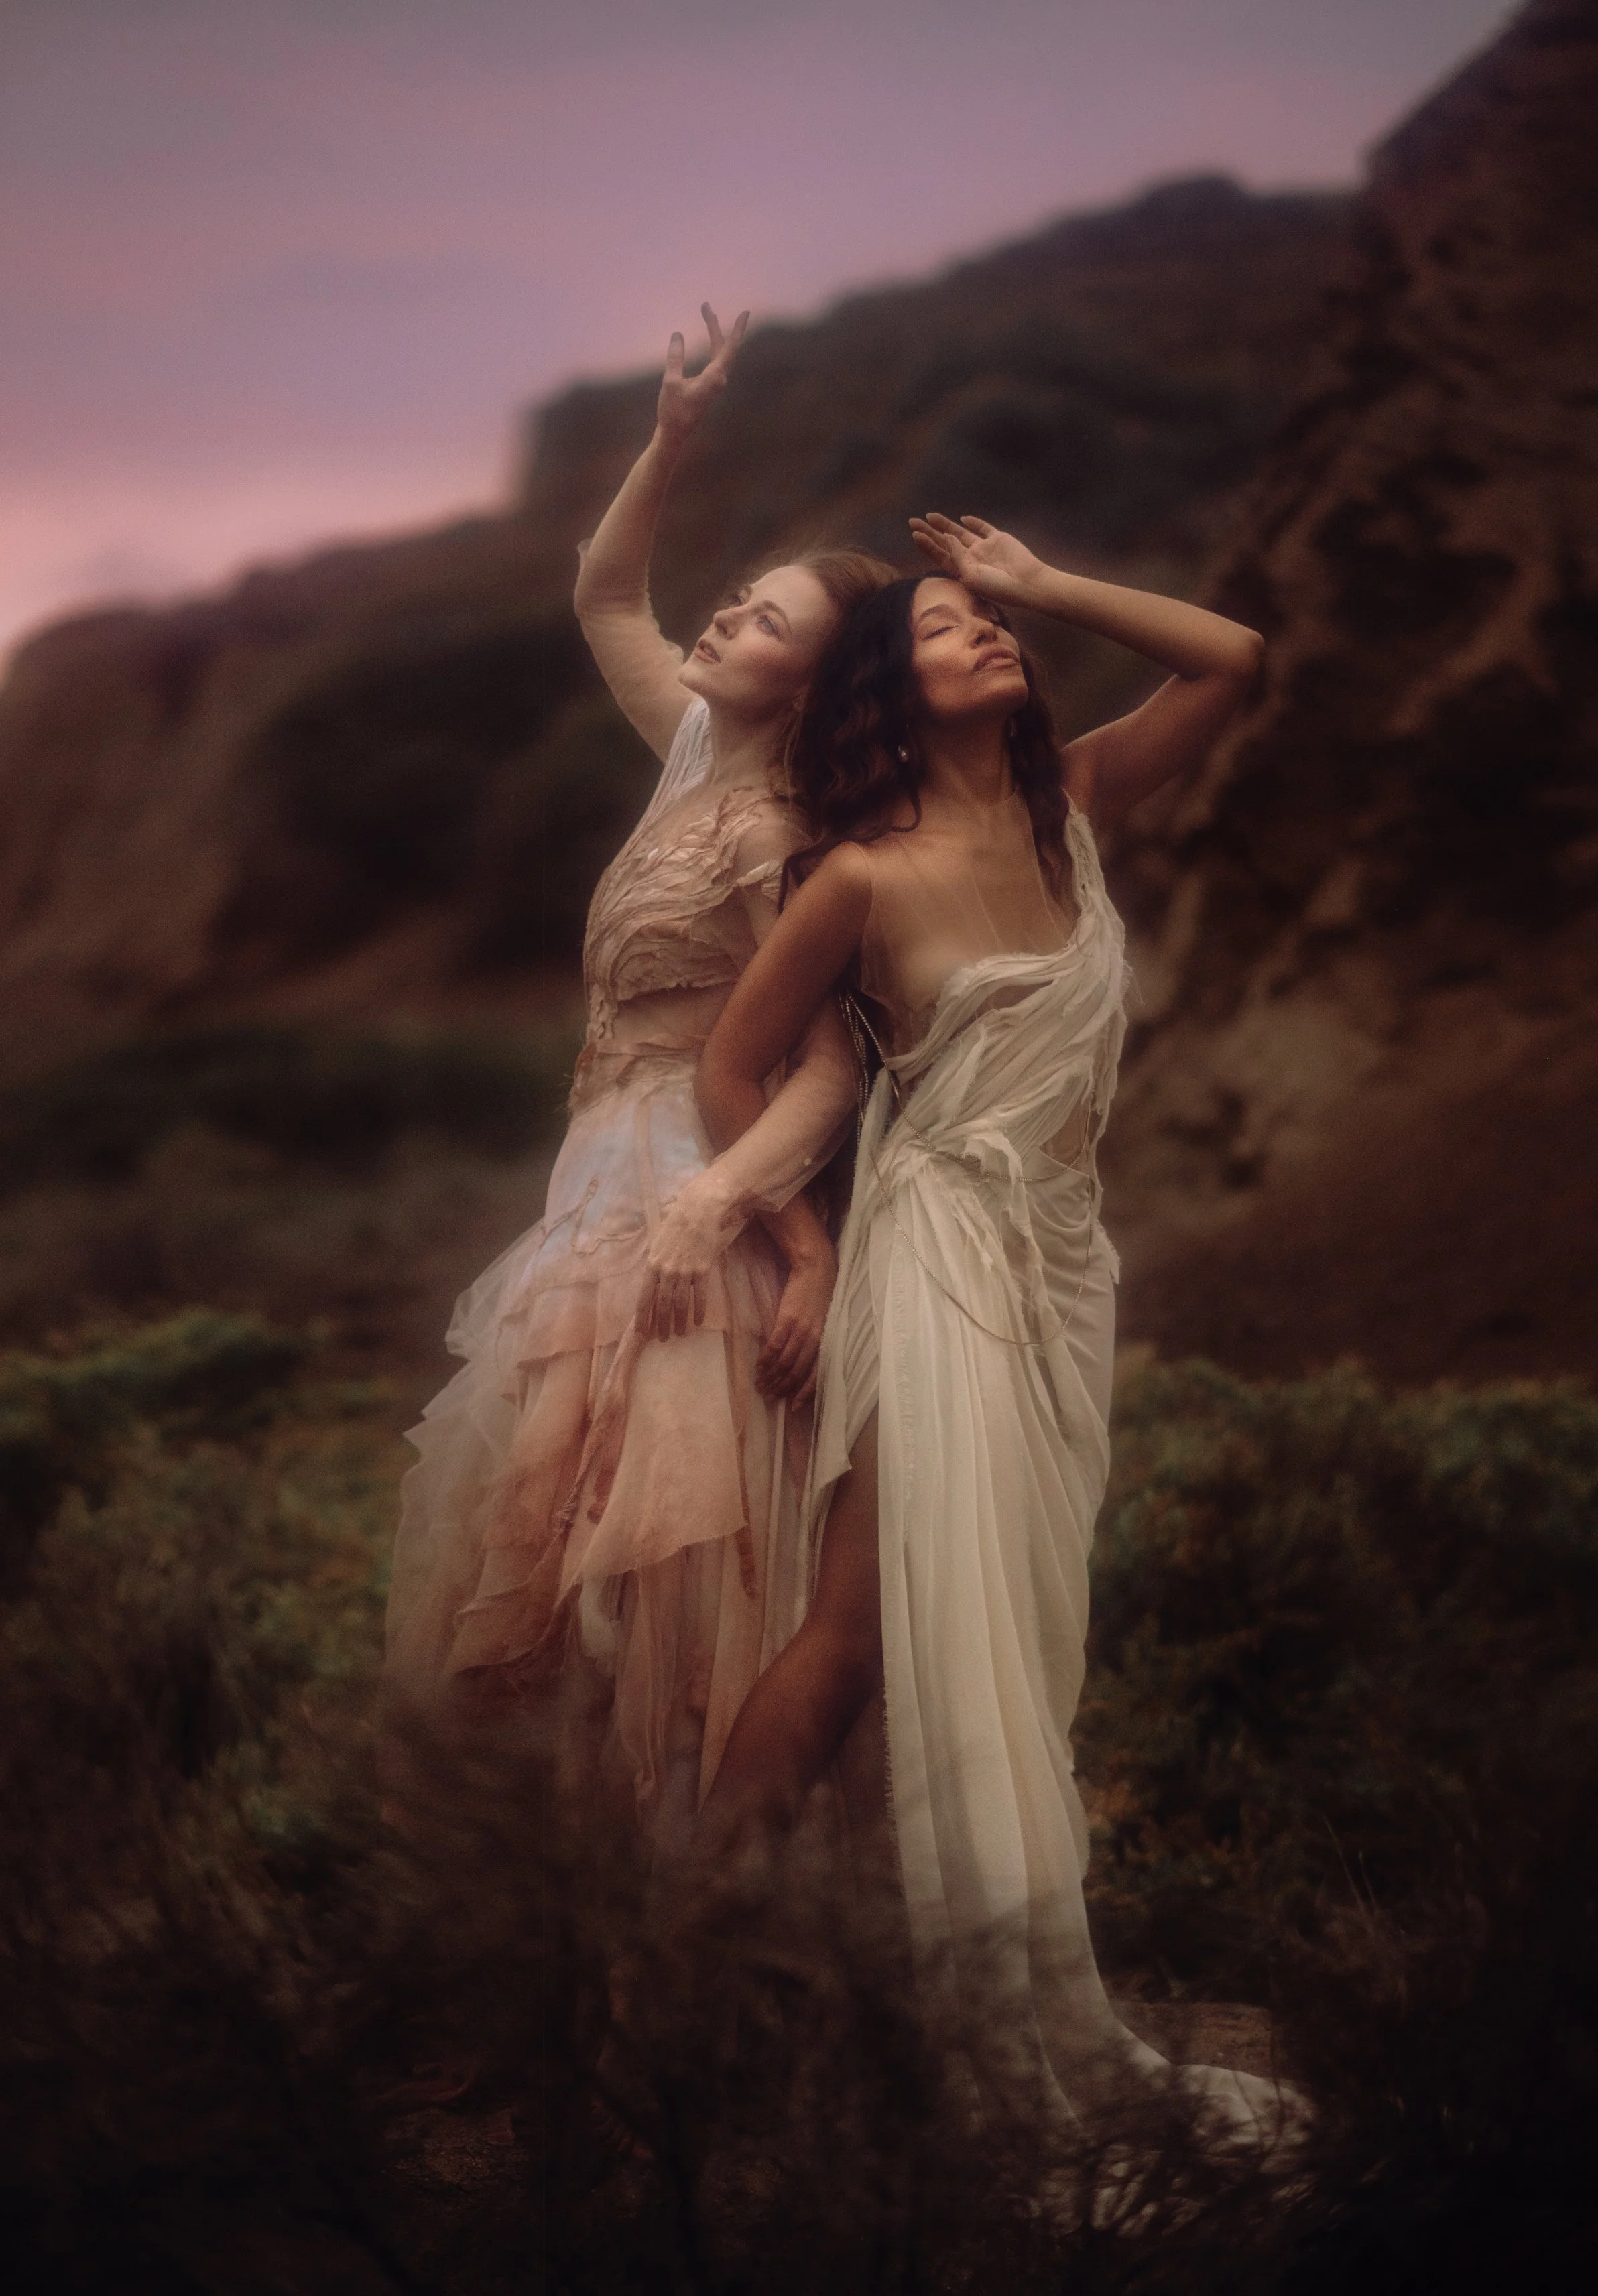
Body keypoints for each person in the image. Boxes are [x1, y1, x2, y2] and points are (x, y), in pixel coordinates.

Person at [680, 513, 1293, 2134]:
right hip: (936, 1243)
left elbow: (1230, 660)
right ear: (888, 690)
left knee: (1015, 1624)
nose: (989, 636)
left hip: (1061, 1260)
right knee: (856, 1626)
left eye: (991, 621)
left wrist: (1040, 582)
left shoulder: (1065, 805)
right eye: (949, 625)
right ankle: (670, 1974)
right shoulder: (858, 877)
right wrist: (799, 1245)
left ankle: (954, 1961)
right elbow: (728, 1070)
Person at [381, 306, 892, 1846]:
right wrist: (670, 441)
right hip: (594, 1190)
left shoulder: (784, 832)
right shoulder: (689, 755)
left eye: (764, 621)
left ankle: (683, 1915)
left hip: (690, 1210)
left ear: (811, 685)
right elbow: (606, 594)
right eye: (735, 602)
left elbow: (829, 1064)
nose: (724, 620)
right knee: (553, 1553)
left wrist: (737, 1216)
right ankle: (575, 1912)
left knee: (662, 1564)